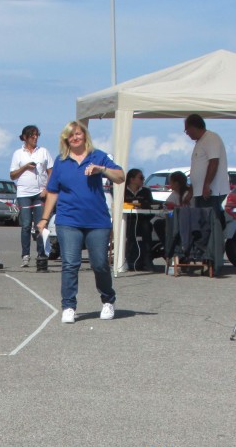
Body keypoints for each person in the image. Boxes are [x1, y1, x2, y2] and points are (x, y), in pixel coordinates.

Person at [36, 121, 124, 324]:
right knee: (70, 263)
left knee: (100, 263)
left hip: (97, 220)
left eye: (78, 134)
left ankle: (108, 300)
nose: (75, 138)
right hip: (68, 219)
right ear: (66, 139)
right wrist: (44, 219)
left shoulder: (98, 156)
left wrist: (101, 169)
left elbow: (120, 176)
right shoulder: (61, 161)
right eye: (71, 135)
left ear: (85, 136)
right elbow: (53, 191)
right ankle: (68, 306)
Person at [9, 125, 54, 270]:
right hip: (24, 193)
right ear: (25, 137)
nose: (35, 138)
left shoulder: (43, 152)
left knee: (41, 225)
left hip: (39, 192)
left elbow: (50, 171)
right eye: (32, 136)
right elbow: (12, 175)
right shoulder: (18, 154)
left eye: (37, 136)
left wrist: (47, 189)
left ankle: (41, 255)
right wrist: (25, 167)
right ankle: (25, 255)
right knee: (26, 225)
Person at [184, 114, 229, 224]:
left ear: (192, 127)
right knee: (202, 224)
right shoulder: (200, 142)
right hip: (200, 192)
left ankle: (214, 241)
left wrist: (207, 185)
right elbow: (197, 169)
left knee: (209, 224)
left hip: (211, 192)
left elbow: (214, 162)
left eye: (186, 130)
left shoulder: (211, 138)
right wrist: (191, 191)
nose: (187, 133)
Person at [123, 168, 158, 271]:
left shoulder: (146, 191)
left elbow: (151, 206)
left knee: (146, 228)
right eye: (141, 178)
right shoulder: (123, 191)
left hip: (143, 219)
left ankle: (147, 260)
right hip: (128, 220)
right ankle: (130, 260)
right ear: (132, 179)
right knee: (130, 231)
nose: (143, 180)